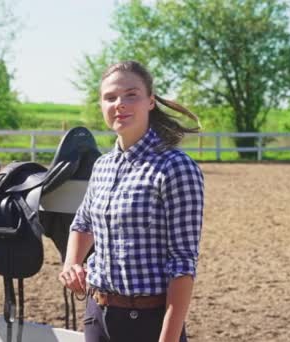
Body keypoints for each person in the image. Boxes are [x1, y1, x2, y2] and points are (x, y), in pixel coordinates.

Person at [58, 60, 204, 342]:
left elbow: (183, 264)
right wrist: (70, 264)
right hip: (97, 314)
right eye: (110, 97)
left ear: (150, 101)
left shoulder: (175, 167)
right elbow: (83, 223)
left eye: (131, 95)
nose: (119, 104)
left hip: (150, 322)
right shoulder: (102, 166)